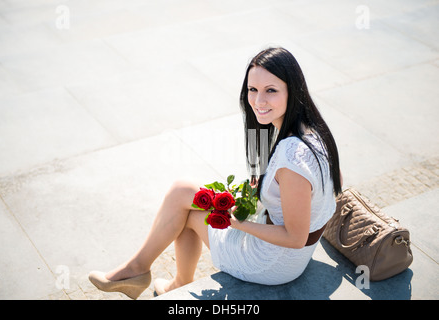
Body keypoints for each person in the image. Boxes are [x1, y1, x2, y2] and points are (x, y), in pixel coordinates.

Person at [88, 47, 342, 299]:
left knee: (184, 204)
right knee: (185, 193)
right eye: (252, 89)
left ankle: (143, 273)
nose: (258, 100)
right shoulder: (313, 131)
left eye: (271, 90)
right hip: (290, 256)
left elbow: (295, 237)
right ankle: (158, 277)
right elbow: (333, 183)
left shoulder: (291, 158)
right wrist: (266, 195)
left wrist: (238, 222)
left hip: (272, 263)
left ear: (292, 90)